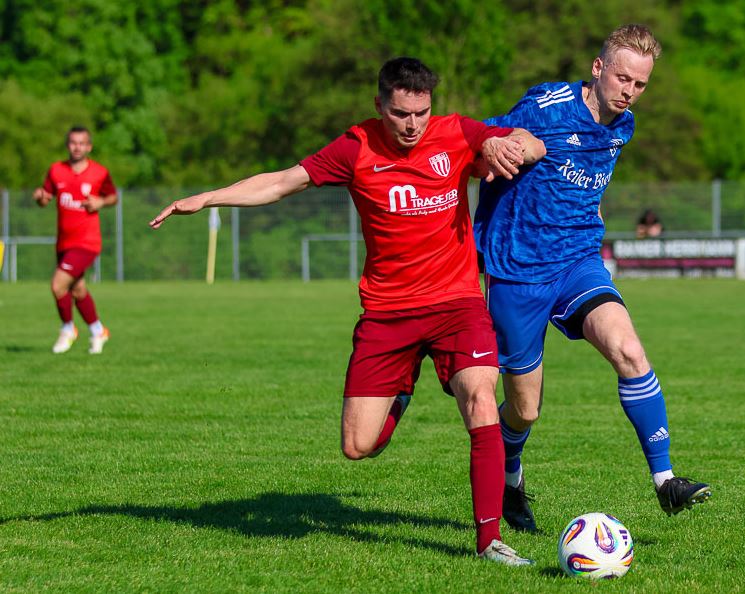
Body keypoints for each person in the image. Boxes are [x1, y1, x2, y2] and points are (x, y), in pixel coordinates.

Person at [150, 57, 545, 565]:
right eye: (401, 113)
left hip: (457, 303)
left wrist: (497, 142)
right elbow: (280, 182)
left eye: (421, 112)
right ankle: (402, 392)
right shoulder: (355, 147)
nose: (412, 125)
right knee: (358, 446)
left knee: (480, 400)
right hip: (387, 314)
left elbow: (533, 144)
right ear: (379, 105)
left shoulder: (457, 133)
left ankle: (489, 540)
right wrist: (208, 198)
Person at [474, 24, 711, 533]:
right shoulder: (547, 105)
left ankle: (665, 479)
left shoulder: (623, 126)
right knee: (525, 408)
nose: (629, 91)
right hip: (517, 269)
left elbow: (586, 179)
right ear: (598, 68)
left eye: (640, 84)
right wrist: (508, 147)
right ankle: (510, 481)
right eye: (622, 77)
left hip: (578, 260)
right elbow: (488, 142)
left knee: (629, 351)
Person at [33, 126, 117, 354]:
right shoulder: (56, 170)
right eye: (73, 142)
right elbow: (45, 197)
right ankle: (98, 331)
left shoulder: (99, 172)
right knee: (77, 289)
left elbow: (113, 197)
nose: (77, 147)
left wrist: (100, 202)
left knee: (58, 285)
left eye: (82, 143)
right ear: (67, 144)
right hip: (63, 242)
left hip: (87, 242)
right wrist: (40, 197)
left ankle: (68, 329)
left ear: (89, 146)